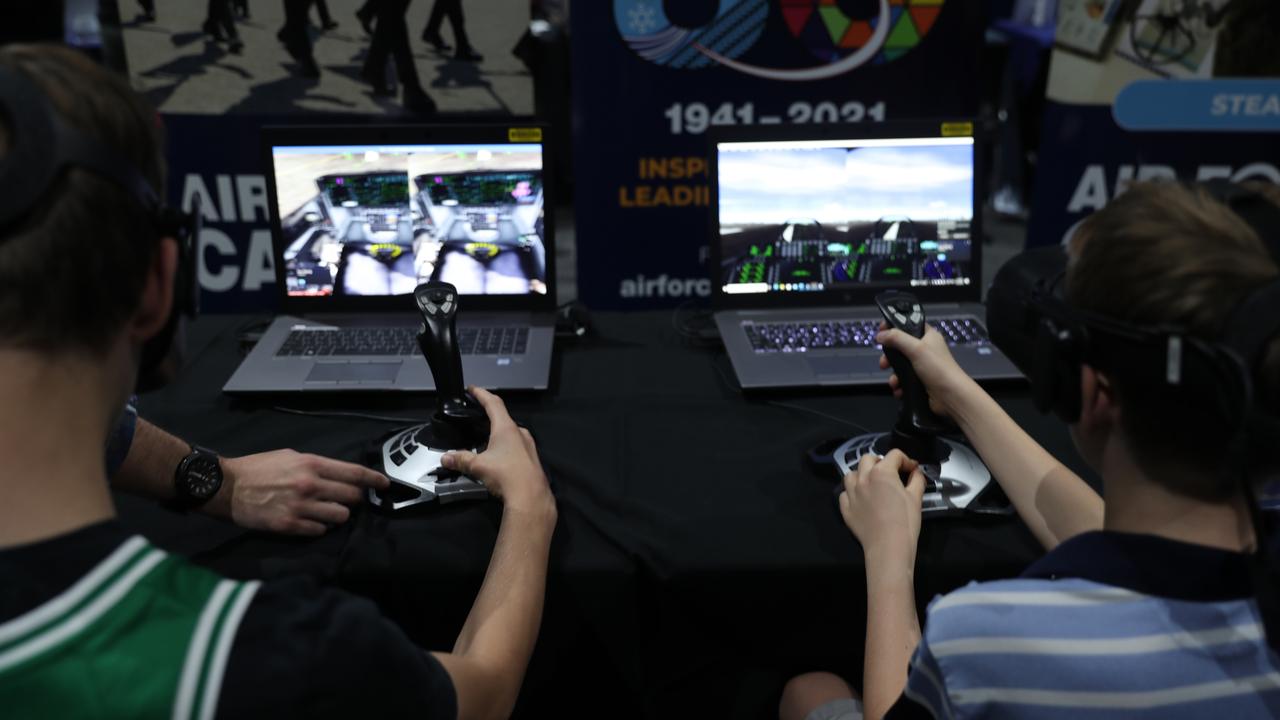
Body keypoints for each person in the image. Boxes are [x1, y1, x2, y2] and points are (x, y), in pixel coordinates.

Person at [0, 44, 556, 718]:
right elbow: (483, 694)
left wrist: (216, 480)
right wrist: (529, 509)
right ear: (157, 286)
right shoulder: (268, 654)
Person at [781, 182, 1280, 720]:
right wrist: (956, 391)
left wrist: (888, 557)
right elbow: (1114, 539)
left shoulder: (983, 640)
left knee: (809, 690)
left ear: (1087, 391)